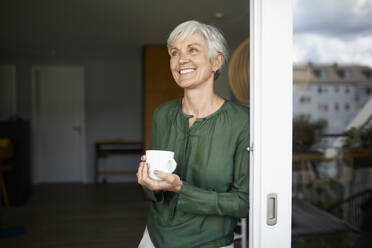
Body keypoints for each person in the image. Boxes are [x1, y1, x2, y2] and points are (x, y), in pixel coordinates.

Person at [137, 20, 249, 248]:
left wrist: (181, 188)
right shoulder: (163, 114)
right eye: (175, 52)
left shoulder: (241, 121)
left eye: (193, 49)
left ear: (216, 61)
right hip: (154, 239)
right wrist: (147, 182)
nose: (181, 59)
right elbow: (155, 191)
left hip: (209, 243)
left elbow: (243, 203)